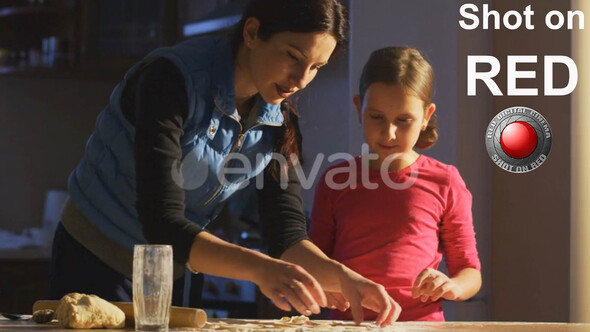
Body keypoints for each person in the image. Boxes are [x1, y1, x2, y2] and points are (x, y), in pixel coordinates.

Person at [48, 0, 400, 326]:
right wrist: (262, 270)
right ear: (251, 33)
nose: (301, 79)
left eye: (316, 67)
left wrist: (342, 276)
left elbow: (287, 235)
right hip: (94, 259)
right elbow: (162, 223)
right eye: (293, 56)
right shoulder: (170, 79)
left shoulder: (280, 123)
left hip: (178, 268)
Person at [308, 46, 482, 321]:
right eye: (376, 117)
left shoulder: (445, 181)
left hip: (420, 327)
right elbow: (314, 263)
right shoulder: (336, 181)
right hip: (348, 326)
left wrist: (451, 285)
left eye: (404, 120)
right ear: (358, 108)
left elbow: (470, 273)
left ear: (426, 117)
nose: (388, 133)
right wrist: (321, 287)